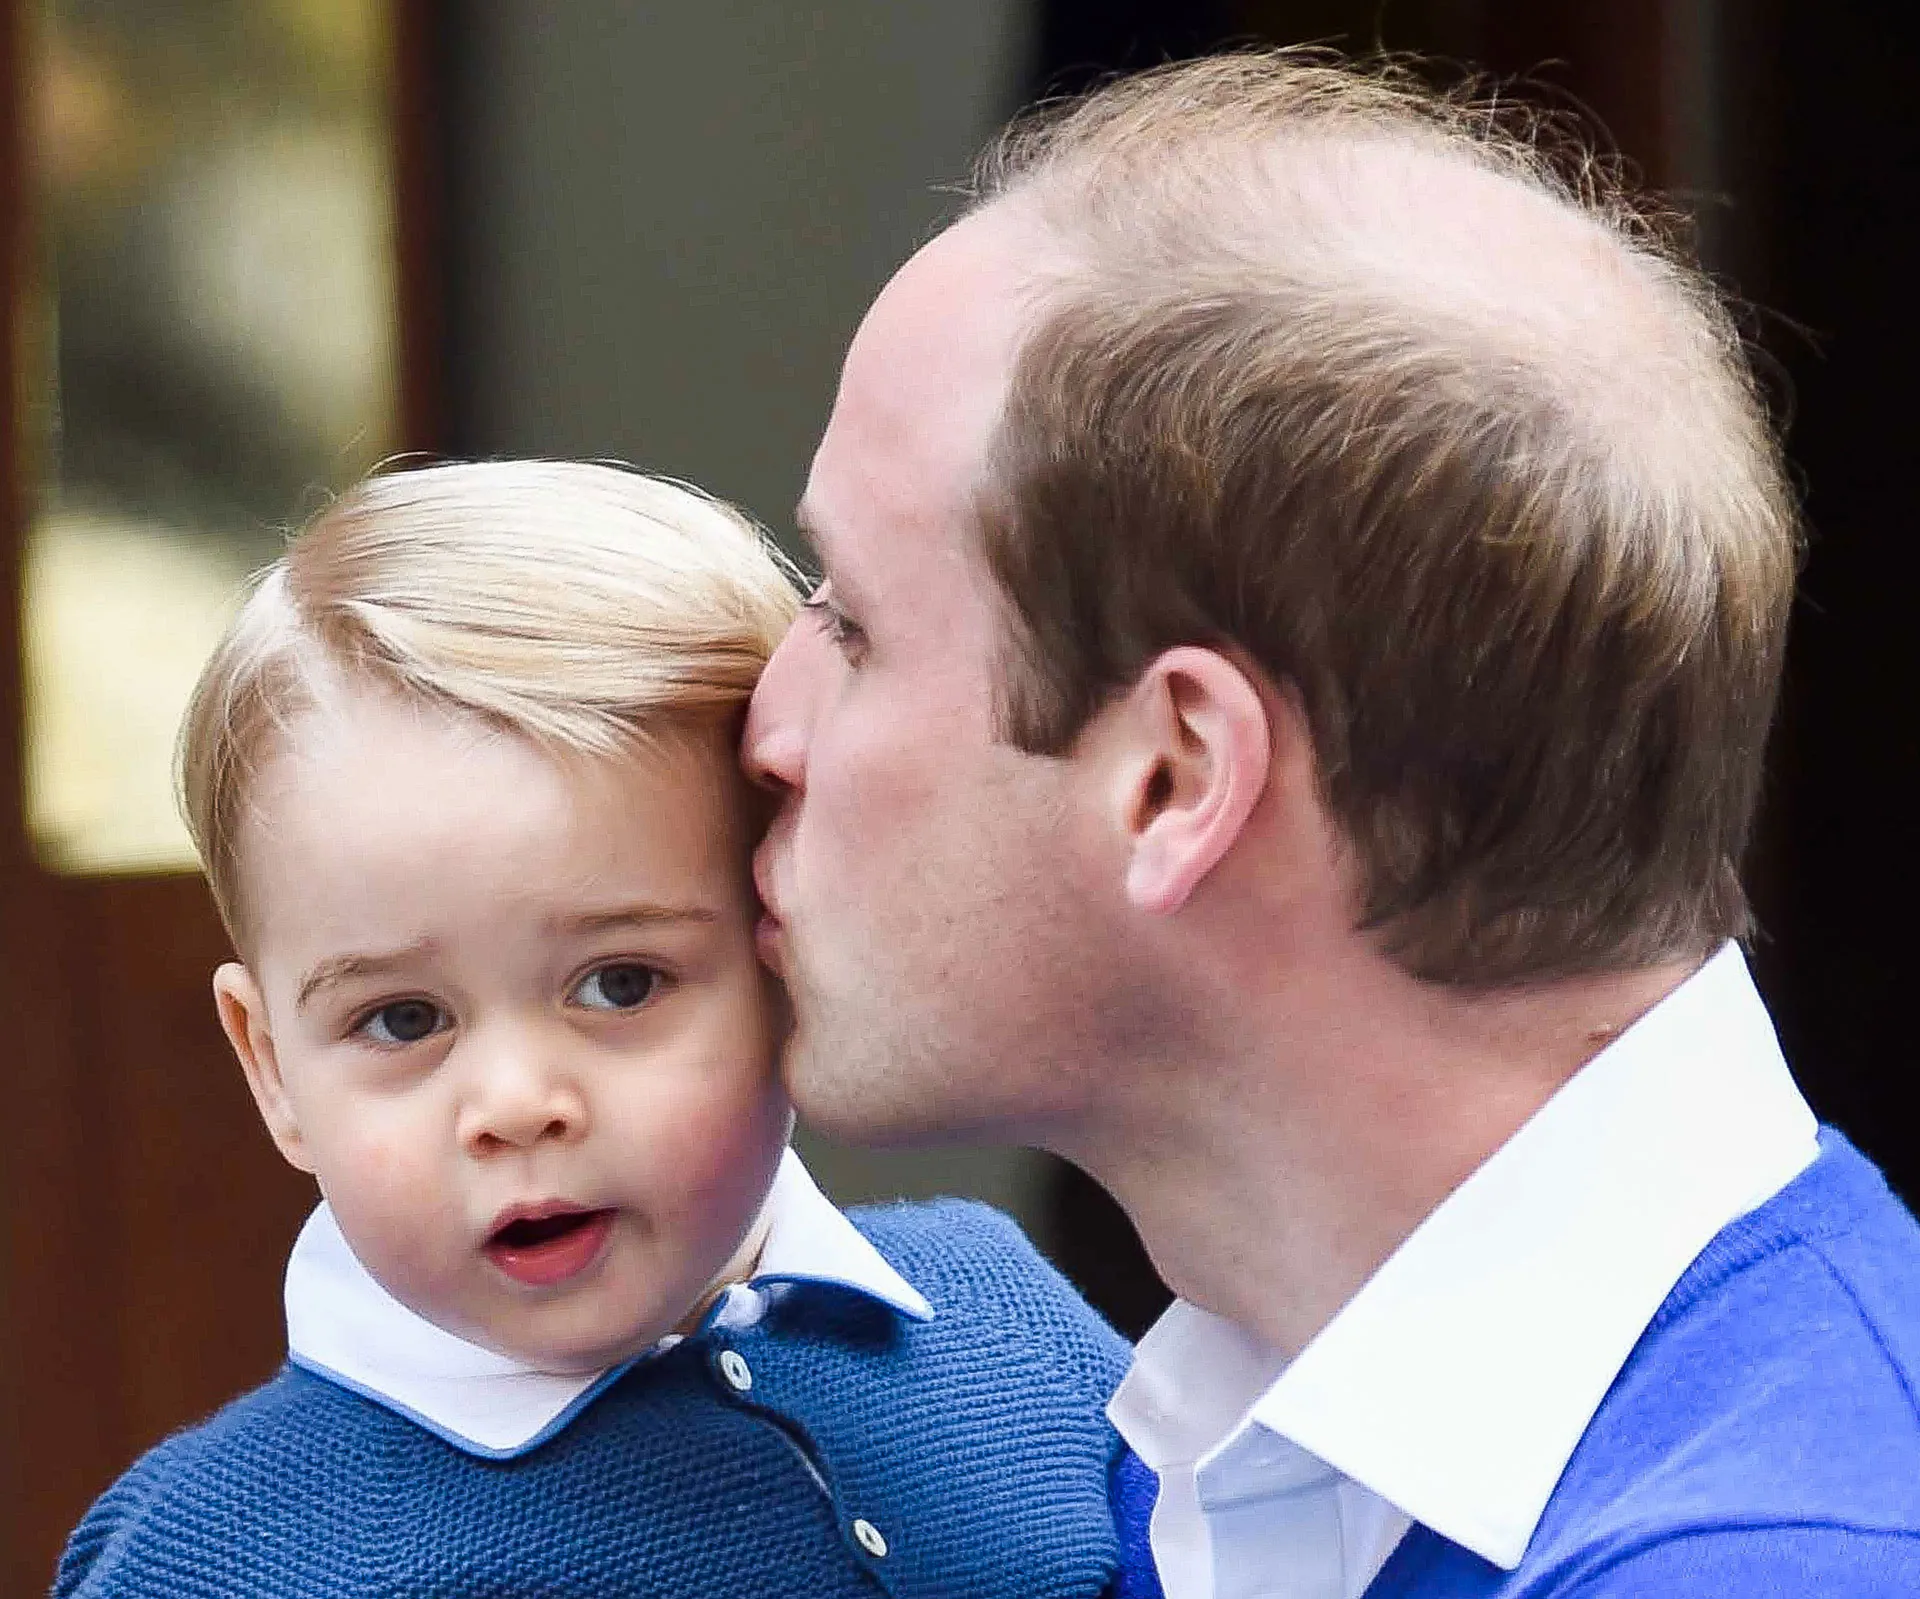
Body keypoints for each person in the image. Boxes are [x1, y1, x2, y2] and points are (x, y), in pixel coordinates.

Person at [743, 51, 1920, 1598]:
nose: (767, 722)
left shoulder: (1774, 1557)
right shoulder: (1247, 1456)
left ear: (1172, 776)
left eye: (854, 622)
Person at [55, 461, 1156, 1599]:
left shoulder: (1005, 1321)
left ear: (790, 951)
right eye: (401, 1018)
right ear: (273, 1069)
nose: (519, 1103)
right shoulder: (211, 1561)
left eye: (620, 985)